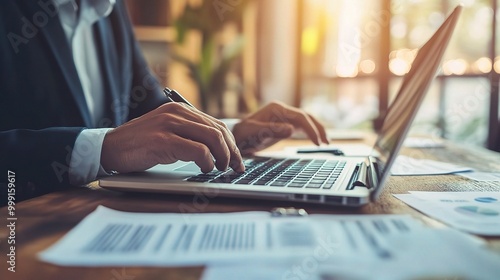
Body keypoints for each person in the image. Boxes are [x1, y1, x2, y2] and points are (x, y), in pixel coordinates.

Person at [0, 0, 328, 205]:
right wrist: (104, 148)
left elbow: (152, 111)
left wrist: (229, 133)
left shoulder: (110, 10)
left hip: (96, 216)